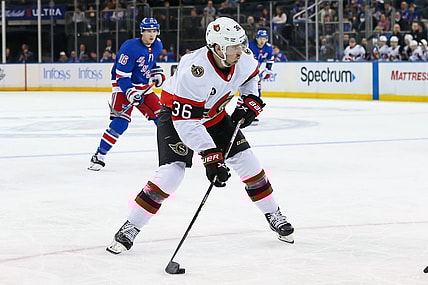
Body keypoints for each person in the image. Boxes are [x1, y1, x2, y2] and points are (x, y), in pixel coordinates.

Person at [106, 17, 294, 255]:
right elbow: (187, 123)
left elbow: (250, 79)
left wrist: (250, 100)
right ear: (217, 48)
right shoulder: (194, 71)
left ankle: (273, 213)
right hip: (176, 118)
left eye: (240, 43)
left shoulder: (244, 58)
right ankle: (131, 226)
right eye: (233, 46)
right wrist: (210, 155)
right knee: (171, 174)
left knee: (249, 163)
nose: (240, 50)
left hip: (214, 116)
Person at [88, 18, 166, 171]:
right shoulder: (129, 47)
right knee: (120, 123)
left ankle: (172, 155)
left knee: (163, 119)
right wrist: (130, 93)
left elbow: (151, 63)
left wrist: (157, 74)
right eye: (148, 31)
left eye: (154, 31)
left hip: (143, 86)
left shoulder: (157, 45)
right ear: (142, 32)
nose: (152, 34)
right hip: (122, 85)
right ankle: (99, 155)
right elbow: (122, 76)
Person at [248, 29, 274, 98]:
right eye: (260, 38)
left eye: (264, 38)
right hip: (246, 70)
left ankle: (256, 103)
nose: (262, 41)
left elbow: (270, 59)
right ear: (256, 38)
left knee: (257, 90)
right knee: (247, 90)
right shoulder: (249, 45)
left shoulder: (268, 47)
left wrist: (268, 70)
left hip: (255, 70)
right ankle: (239, 106)